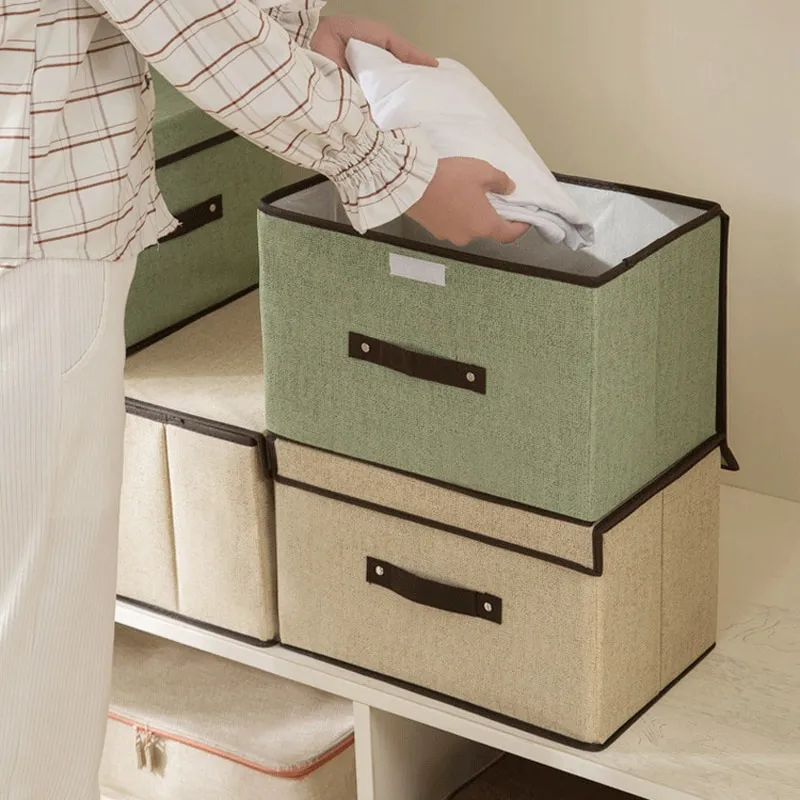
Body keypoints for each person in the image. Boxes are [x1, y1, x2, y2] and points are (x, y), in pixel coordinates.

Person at [0, 2, 527, 797]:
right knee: (33, 627)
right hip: (31, 244)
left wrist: (294, 22)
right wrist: (399, 172)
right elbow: (192, 17)